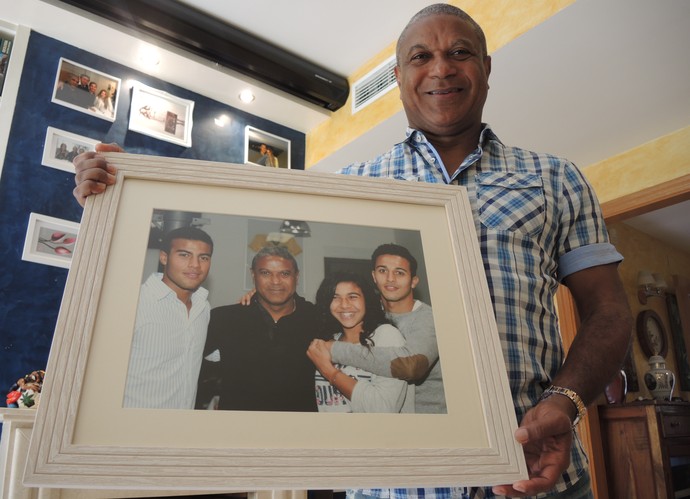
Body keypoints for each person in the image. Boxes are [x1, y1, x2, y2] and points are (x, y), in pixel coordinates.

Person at [71, 4, 633, 497]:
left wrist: (565, 401)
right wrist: (120, 196)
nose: (441, 67)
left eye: (460, 52)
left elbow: (608, 311)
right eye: (420, 56)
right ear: (398, 76)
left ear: (486, 69)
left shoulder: (554, 179)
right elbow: (276, 258)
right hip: (393, 486)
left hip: (536, 474)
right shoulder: (355, 182)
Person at [195, 245, 320, 412]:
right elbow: (188, 369)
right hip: (239, 430)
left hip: (300, 431)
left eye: (284, 273)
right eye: (265, 273)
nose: (275, 281)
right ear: (253, 275)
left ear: (296, 277)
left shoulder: (317, 320)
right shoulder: (224, 319)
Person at [328, 243, 445, 414]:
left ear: (413, 281)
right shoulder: (366, 314)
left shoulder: (430, 319)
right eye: (383, 271)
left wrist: (333, 350)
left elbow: (411, 367)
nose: (390, 278)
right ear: (374, 276)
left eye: (399, 272)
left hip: (430, 422)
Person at [124, 226, 214, 409]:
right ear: (164, 257)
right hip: (130, 429)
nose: (195, 265)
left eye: (203, 258)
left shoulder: (203, 307)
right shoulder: (133, 302)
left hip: (180, 429)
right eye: (184, 255)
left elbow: (220, 354)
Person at [308, 271, 414, 413]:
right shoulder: (329, 341)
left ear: (367, 300)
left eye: (352, 296)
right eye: (335, 298)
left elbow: (383, 408)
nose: (344, 305)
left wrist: (328, 371)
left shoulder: (386, 336)